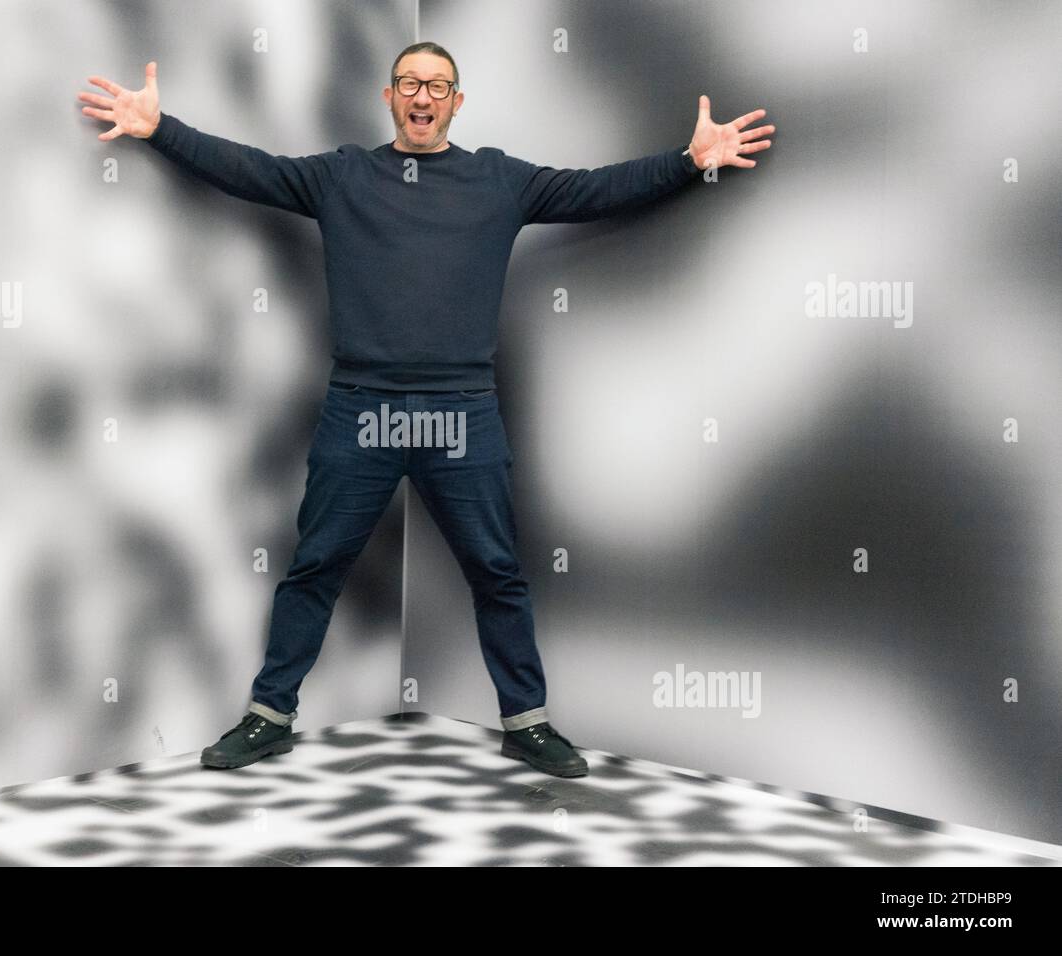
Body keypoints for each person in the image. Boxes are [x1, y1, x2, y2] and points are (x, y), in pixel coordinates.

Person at [78, 42, 774, 778]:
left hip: (460, 413)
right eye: (410, 83)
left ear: (455, 103)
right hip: (363, 410)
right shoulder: (343, 174)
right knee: (315, 568)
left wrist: (692, 163)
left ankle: (528, 724)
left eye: (437, 85)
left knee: (497, 574)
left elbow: (597, 194)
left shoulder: (498, 180)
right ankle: (268, 717)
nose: (422, 95)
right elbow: (249, 170)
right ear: (390, 98)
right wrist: (159, 130)